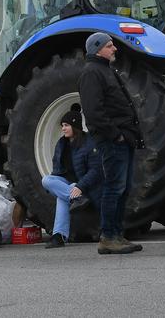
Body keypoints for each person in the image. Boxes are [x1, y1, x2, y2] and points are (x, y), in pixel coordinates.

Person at [78, 32, 144, 255]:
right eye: (109, 45)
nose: (114, 48)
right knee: (114, 187)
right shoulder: (92, 73)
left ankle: (117, 234)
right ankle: (108, 236)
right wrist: (116, 135)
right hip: (113, 140)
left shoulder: (105, 70)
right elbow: (93, 111)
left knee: (122, 188)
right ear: (97, 49)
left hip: (122, 138)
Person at [41, 105, 103, 248]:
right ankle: (75, 197)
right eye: (62, 125)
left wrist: (80, 186)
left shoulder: (89, 143)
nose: (63, 128)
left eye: (66, 125)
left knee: (61, 198)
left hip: (84, 184)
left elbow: (96, 170)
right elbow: (57, 171)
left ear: (75, 125)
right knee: (47, 180)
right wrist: (64, 188)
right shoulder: (61, 143)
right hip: (69, 184)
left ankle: (59, 236)